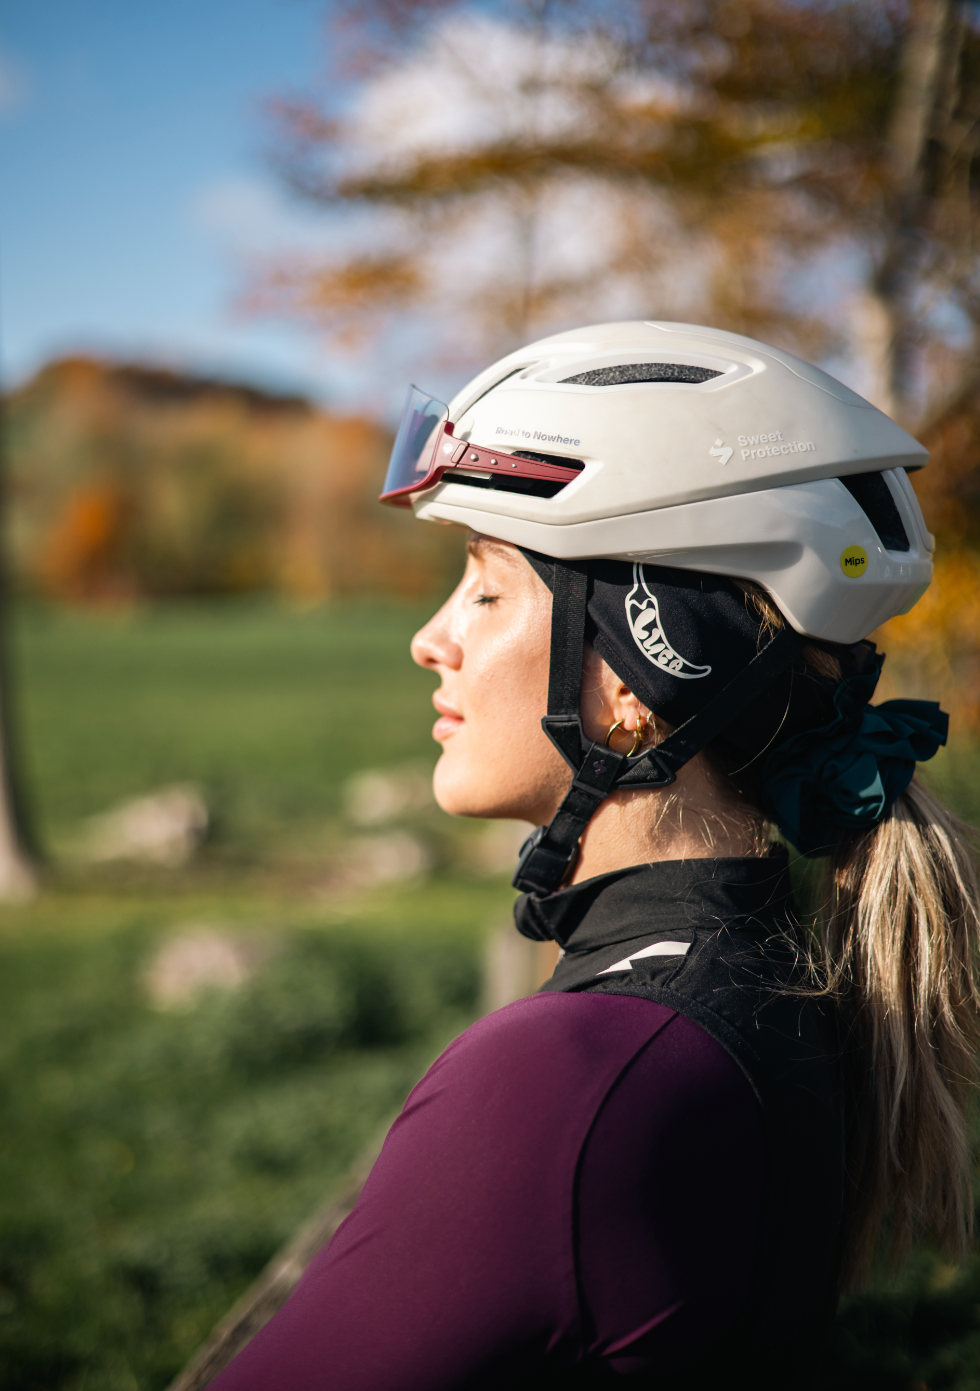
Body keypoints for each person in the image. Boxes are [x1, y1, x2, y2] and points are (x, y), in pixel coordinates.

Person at [212, 322, 980, 1389]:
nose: (430, 637)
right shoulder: (766, 976)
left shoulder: (573, 1073)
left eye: (485, 587)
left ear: (630, 672)